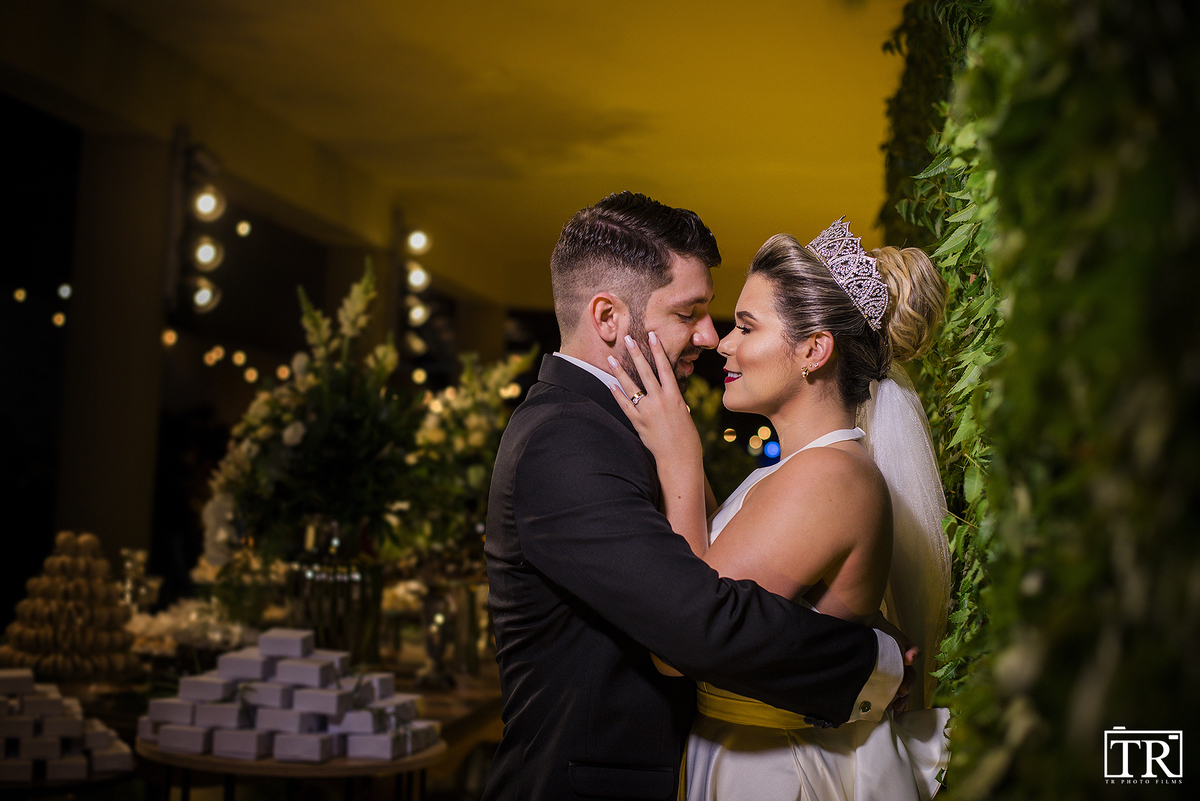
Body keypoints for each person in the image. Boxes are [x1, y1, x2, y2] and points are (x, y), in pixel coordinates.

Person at [482, 194, 912, 801]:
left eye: (734, 321)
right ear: (607, 318)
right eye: (690, 314)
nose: (712, 339)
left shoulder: (634, 425)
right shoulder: (566, 440)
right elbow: (698, 618)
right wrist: (873, 656)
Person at [607, 219, 952, 800]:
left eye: (746, 326)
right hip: (740, 750)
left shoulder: (829, 477)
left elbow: (680, 642)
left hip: (777, 771)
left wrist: (681, 459)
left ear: (814, 351)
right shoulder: (794, 470)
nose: (723, 342)